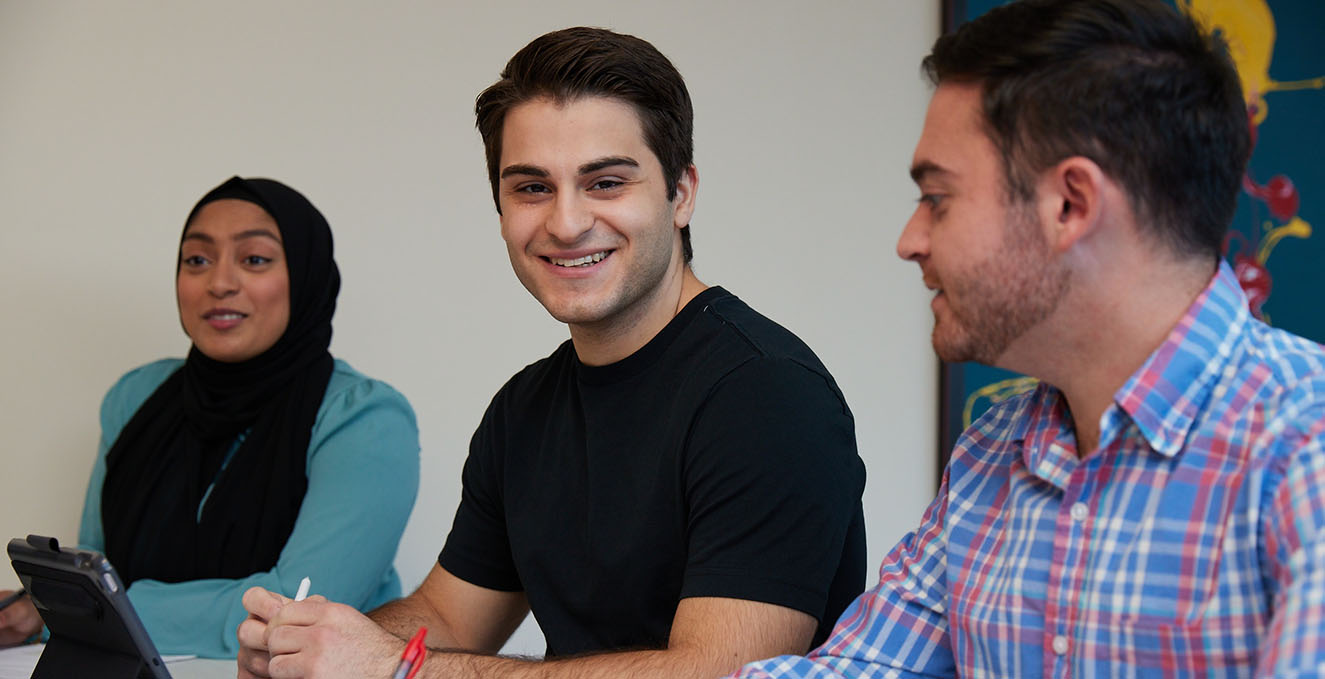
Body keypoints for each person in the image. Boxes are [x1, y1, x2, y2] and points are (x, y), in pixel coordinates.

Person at [236, 27, 867, 679]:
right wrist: (315, 642)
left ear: (680, 193)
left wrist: (397, 666)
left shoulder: (766, 393)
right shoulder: (524, 409)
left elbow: (718, 672)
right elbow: (448, 618)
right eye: (531, 187)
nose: (566, 223)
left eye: (605, 182)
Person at [729, 0, 1325, 677]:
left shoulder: (1303, 451)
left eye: (937, 199)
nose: (909, 241)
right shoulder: (992, 452)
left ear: (1069, 204)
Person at [0, 176, 420, 658]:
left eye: (255, 259)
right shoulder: (136, 398)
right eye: (197, 260)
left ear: (306, 277)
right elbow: (99, 571)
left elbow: (299, 608)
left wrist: (82, 609)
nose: (219, 283)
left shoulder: (364, 418)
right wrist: (35, 614)